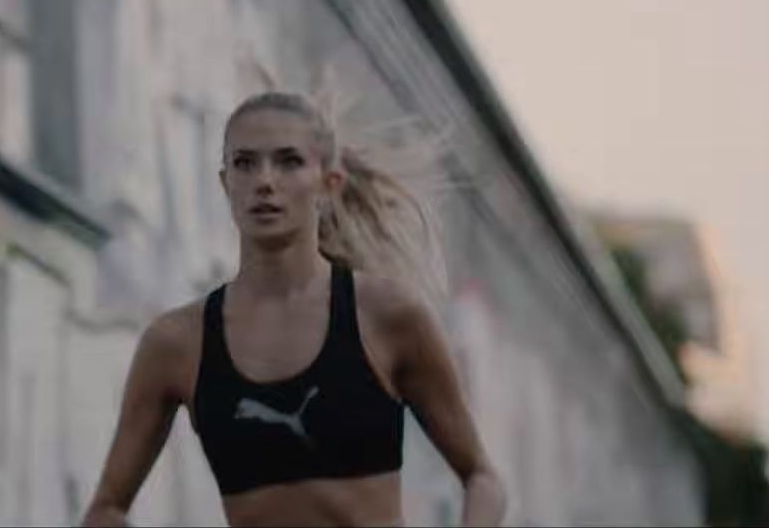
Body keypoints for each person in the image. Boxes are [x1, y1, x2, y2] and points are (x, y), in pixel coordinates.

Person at [81, 91, 505, 527]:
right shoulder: (176, 343)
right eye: (245, 163)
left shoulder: (389, 316)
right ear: (226, 183)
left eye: (288, 161)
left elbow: (481, 476)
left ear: (328, 182)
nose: (265, 181)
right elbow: (106, 508)